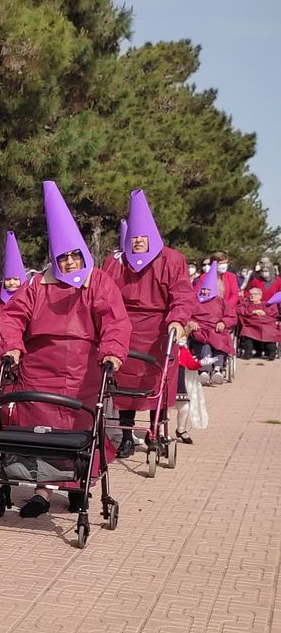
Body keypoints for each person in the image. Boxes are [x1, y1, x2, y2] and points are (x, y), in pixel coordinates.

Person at [0, 182, 131, 519]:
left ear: (82, 253)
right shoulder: (36, 285)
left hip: (82, 372)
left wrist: (113, 351)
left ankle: (78, 484)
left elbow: (115, 319)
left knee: (78, 428)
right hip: (39, 370)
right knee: (40, 433)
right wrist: (12, 347)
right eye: (63, 257)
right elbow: (12, 317)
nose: (70, 262)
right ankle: (42, 491)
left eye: (74, 255)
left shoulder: (99, 281)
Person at [101, 189, 197, 454]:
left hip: (159, 330)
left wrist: (177, 320)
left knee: (157, 381)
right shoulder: (115, 262)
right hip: (123, 329)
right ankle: (127, 435)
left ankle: (155, 431)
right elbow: (103, 294)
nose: (139, 241)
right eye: (135, 237)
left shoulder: (172, 260)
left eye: (143, 236)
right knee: (123, 384)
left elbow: (182, 293)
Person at [190, 261, 235, 379]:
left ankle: (217, 369)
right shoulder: (194, 301)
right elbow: (186, 314)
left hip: (217, 329)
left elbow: (231, 316)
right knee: (204, 343)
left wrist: (223, 322)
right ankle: (205, 370)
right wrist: (191, 323)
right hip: (201, 330)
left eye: (207, 289)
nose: (205, 291)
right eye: (203, 289)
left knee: (220, 343)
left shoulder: (221, 301)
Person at [238, 279, 281, 360]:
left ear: (260, 296)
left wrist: (264, 311)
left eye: (255, 294)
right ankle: (248, 353)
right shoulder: (246, 304)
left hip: (266, 324)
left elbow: (274, 311)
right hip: (250, 325)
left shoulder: (267, 304)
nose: (252, 296)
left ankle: (271, 353)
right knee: (248, 333)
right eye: (251, 294)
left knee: (269, 331)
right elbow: (239, 310)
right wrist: (253, 311)